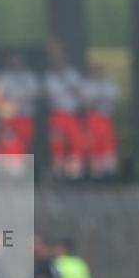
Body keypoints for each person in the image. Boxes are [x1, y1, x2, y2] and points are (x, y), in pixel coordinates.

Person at [0, 53, 39, 175]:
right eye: (14, 61)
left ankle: (22, 176)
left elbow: (35, 94)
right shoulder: (3, 77)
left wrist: (20, 103)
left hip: (25, 119)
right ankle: (4, 175)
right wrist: (6, 104)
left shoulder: (29, 77)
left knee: (24, 146)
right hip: (8, 120)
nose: (17, 64)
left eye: (19, 61)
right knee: (7, 146)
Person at [44, 45, 85, 179]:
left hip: (71, 114)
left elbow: (79, 93)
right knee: (57, 144)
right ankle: (58, 173)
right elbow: (52, 95)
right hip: (57, 115)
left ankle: (74, 173)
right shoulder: (50, 77)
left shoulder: (73, 74)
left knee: (76, 142)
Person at [82, 66, 119, 178]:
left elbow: (112, 101)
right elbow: (89, 104)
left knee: (108, 146)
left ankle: (109, 172)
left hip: (105, 119)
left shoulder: (110, 85)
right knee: (94, 146)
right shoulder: (89, 86)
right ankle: (96, 173)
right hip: (93, 119)